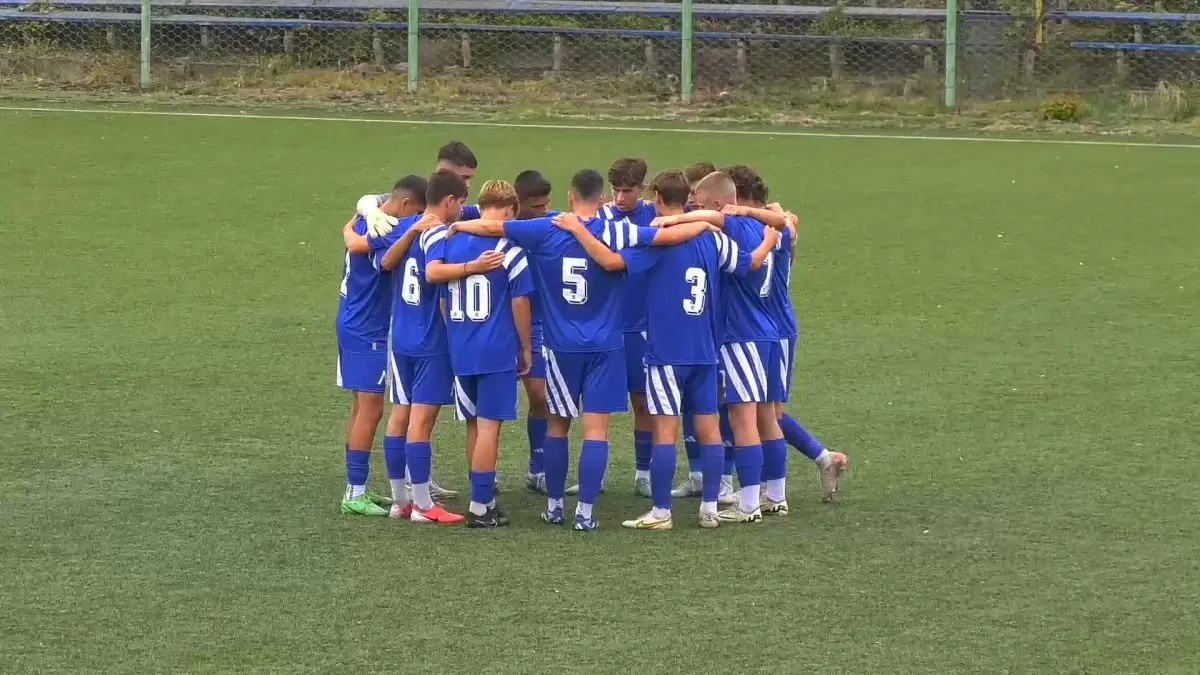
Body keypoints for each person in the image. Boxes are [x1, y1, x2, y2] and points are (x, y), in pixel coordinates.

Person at [451, 169, 712, 531]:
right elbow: (668, 236)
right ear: (602, 199)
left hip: (560, 347)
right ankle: (586, 513)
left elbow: (493, 227)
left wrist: (459, 225)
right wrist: (703, 223)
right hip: (607, 346)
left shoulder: (545, 228)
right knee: (596, 432)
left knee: (558, 426)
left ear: (571, 197)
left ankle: (555, 506)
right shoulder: (616, 231)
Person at [557, 170, 777, 529]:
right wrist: (769, 239)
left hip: (665, 353)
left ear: (657, 197)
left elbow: (612, 262)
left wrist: (578, 231)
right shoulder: (714, 238)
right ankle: (709, 507)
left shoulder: (656, 242)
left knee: (665, 433)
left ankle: (661, 511)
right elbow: (749, 264)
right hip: (705, 351)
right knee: (709, 430)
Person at [651, 171, 790, 523]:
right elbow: (784, 223)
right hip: (769, 331)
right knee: (767, 417)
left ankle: (749, 504)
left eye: (698, 202)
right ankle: (776, 495)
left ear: (717, 204)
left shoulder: (734, 225)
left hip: (741, 335)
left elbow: (715, 222)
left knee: (743, 420)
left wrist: (676, 219)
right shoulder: (764, 226)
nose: (693, 206)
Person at [379, 171, 501, 525]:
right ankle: (422, 505)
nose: (462, 208)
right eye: (461, 202)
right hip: (430, 339)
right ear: (449, 201)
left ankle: (400, 501)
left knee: (399, 415)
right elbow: (434, 273)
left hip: (401, 335)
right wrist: (473, 267)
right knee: (421, 420)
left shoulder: (408, 226)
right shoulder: (437, 233)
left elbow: (385, 263)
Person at [724, 165, 849, 504]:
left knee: (767, 413)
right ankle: (771, 485)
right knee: (761, 411)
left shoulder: (763, 227)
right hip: (772, 324)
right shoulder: (778, 223)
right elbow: (789, 226)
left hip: (771, 326)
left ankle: (813, 464)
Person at [432, 179, 534, 528]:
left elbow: (444, 303)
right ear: (510, 210)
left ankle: (485, 498)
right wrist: (526, 347)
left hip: (461, 347)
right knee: (490, 426)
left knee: (473, 424)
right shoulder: (510, 249)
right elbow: (520, 303)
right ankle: (479, 506)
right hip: (496, 350)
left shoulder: (451, 245)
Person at [335, 175, 427, 517]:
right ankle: (354, 493)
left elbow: (358, 218)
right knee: (370, 409)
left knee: (360, 407)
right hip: (368, 328)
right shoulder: (387, 229)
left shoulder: (366, 218)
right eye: (415, 212)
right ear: (406, 205)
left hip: (353, 320)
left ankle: (356, 486)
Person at [603, 157, 659, 497]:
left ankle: (643, 473)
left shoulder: (655, 215)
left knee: (643, 402)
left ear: (642, 188)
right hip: (606, 326)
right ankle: (597, 474)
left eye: (627, 191)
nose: (620, 197)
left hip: (642, 327)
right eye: (616, 190)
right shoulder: (601, 216)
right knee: (600, 406)